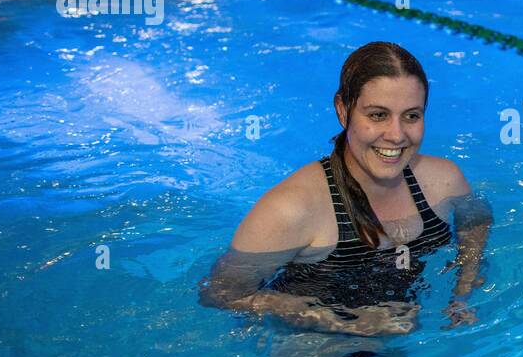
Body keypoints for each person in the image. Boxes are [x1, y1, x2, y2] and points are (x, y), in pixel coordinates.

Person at [201, 41, 492, 337]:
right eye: (378, 115)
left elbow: (477, 221)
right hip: (317, 344)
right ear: (343, 110)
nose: (396, 135)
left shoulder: (444, 180)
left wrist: (463, 290)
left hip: (410, 327)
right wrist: (343, 320)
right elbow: (222, 294)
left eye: (411, 116)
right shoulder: (291, 208)